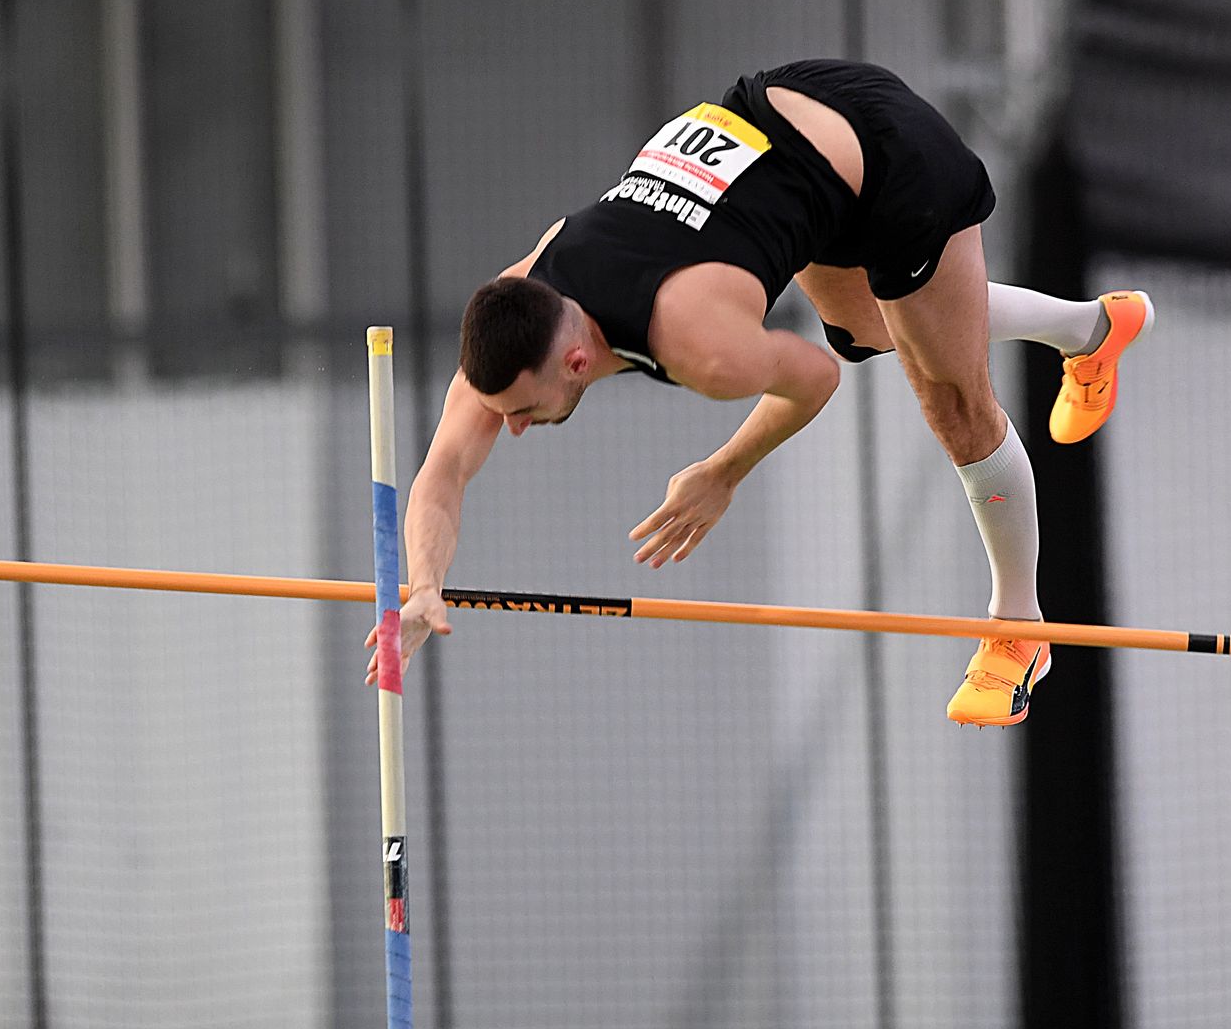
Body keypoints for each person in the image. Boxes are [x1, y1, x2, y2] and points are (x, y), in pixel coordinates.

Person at [364, 60, 1151, 726]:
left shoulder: (698, 344)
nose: (512, 428)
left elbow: (815, 378)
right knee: (873, 329)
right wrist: (423, 586)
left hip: (888, 157)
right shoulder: (520, 308)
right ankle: (1092, 330)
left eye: (521, 414)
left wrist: (724, 472)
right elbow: (441, 475)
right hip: (790, 136)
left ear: (574, 362)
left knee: (952, 402)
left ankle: (1020, 628)